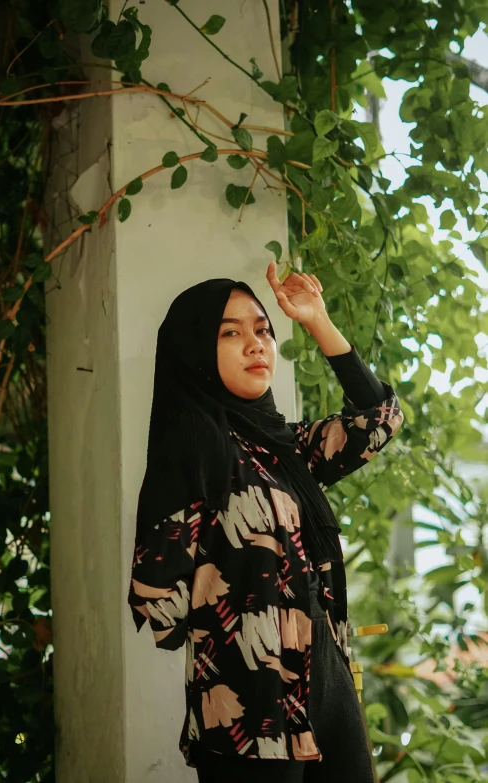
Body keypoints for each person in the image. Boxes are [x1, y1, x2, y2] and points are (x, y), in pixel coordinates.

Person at [128, 262, 404, 783]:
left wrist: (317, 319)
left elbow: (379, 419)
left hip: (326, 675)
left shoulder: (286, 448)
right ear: (194, 353)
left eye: (263, 330)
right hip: (249, 703)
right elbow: (157, 600)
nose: (256, 344)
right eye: (231, 332)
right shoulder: (192, 454)